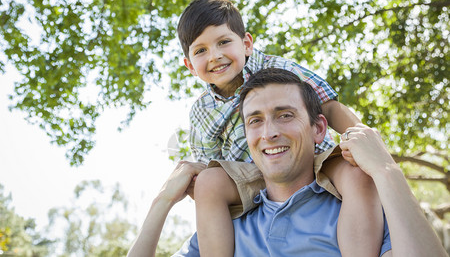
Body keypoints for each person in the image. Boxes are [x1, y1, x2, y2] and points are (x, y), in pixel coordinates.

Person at [127, 68, 447, 257]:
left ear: (318, 128)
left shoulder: (361, 212)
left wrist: (386, 171)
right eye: (255, 120)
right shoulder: (224, 230)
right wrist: (162, 202)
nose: (269, 133)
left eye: (285, 115)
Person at [177, 0, 382, 256]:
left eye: (224, 42)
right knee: (208, 182)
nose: (215, 56)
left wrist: (361, 139)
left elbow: (328, 106)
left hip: (310, 158)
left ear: (247, 44)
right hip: (251, 176)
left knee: (356, 174)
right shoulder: (201, 111)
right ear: (190, 66)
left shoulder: (275, 68)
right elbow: (209, 162)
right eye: (200, 51)